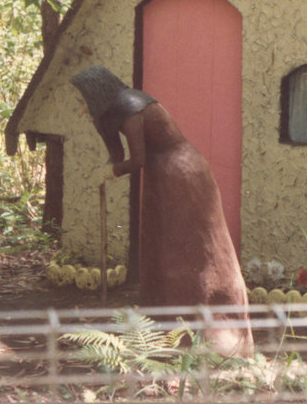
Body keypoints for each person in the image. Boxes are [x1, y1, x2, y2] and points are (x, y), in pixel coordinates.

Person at [71, 65, 254, 358]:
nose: (80, 106)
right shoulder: (114, 112)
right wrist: (106, 169)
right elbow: (117, 154)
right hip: (163, 174)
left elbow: (137, 159)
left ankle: (204, 332)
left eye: (82, 100)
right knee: (162, 246)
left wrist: (111, 173)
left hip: (180, 174)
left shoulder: (132, 108)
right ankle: (161, 328)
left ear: (95, 93)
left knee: (186, 248)